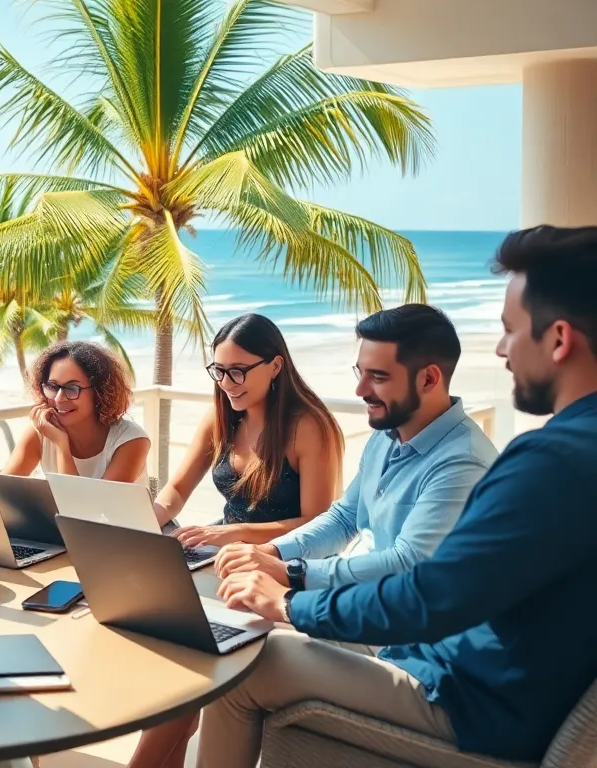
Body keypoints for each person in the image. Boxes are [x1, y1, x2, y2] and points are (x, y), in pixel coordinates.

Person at [147, 225, 597, 768]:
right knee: (238, 626)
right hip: (451, 665)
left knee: (245, 664)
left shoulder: (548, 461)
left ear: (559, 339)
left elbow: (427, 593)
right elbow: (348, 519)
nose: (500, 348)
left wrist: (290, 596)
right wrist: (279, 562)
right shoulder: (561, 454)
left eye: (509, 330)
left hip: (467, 699)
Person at [212, 304, 498, 593]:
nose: (360, 391)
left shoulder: (463, 463)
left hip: (406, 628)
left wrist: (292, 573)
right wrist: (271, 552)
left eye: (378, 377)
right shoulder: (387, 435)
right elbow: (344, 518)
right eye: (359, 373)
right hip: (358, 606)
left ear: (428, 379)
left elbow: (406, 563)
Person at [155, 314, 343, 547]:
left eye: (238, 371)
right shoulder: (219, 419)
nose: (225, 383)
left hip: (286, 560)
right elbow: (177, 489)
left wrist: (236, 533)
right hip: (228, 549)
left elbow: (317, 525)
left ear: (275, 366)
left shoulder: (307, 429)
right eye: (219, 371)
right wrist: (146, 522)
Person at [1, 340, 151, 485]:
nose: (59, 398)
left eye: (72, 388)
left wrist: (61, 446)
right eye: (52, 386)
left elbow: (84, 509)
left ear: (100, 392)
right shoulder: (40, 432)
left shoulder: (131, 441)